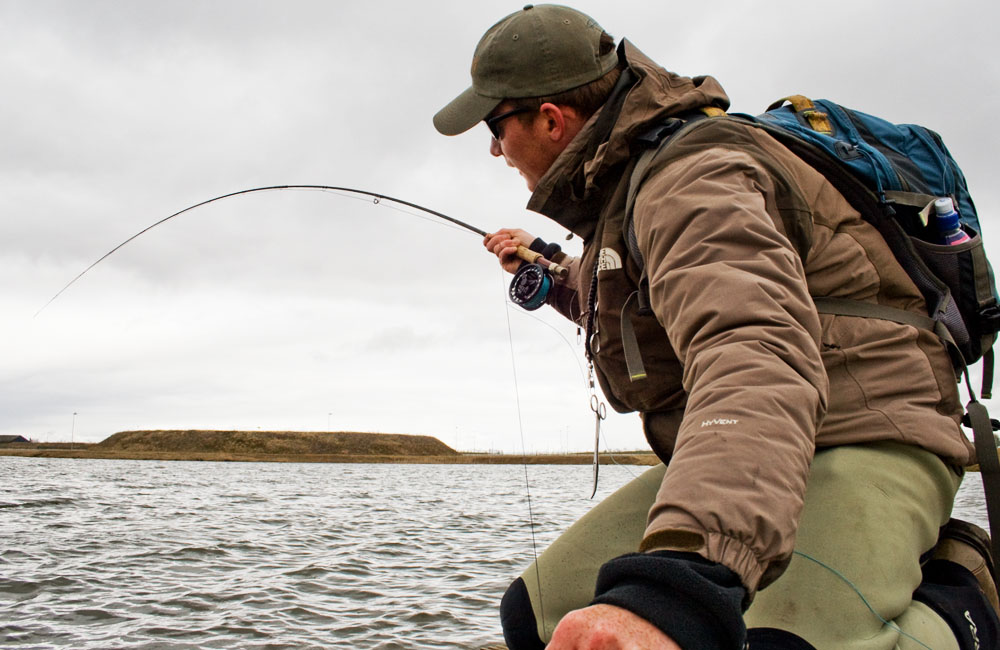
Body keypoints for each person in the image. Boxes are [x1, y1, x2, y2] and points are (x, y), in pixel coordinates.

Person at [434, 5, 1000, 649]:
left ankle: (963, 595)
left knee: (773, 642)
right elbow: (649, 303)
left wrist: (679, 586)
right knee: (538, 616)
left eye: (495, 125)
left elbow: (752, 352)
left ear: (549, 119)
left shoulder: (693, 178)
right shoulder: (631, 188)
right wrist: (548, 265)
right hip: (771, 443)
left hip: (872, 427)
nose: (494, 148)